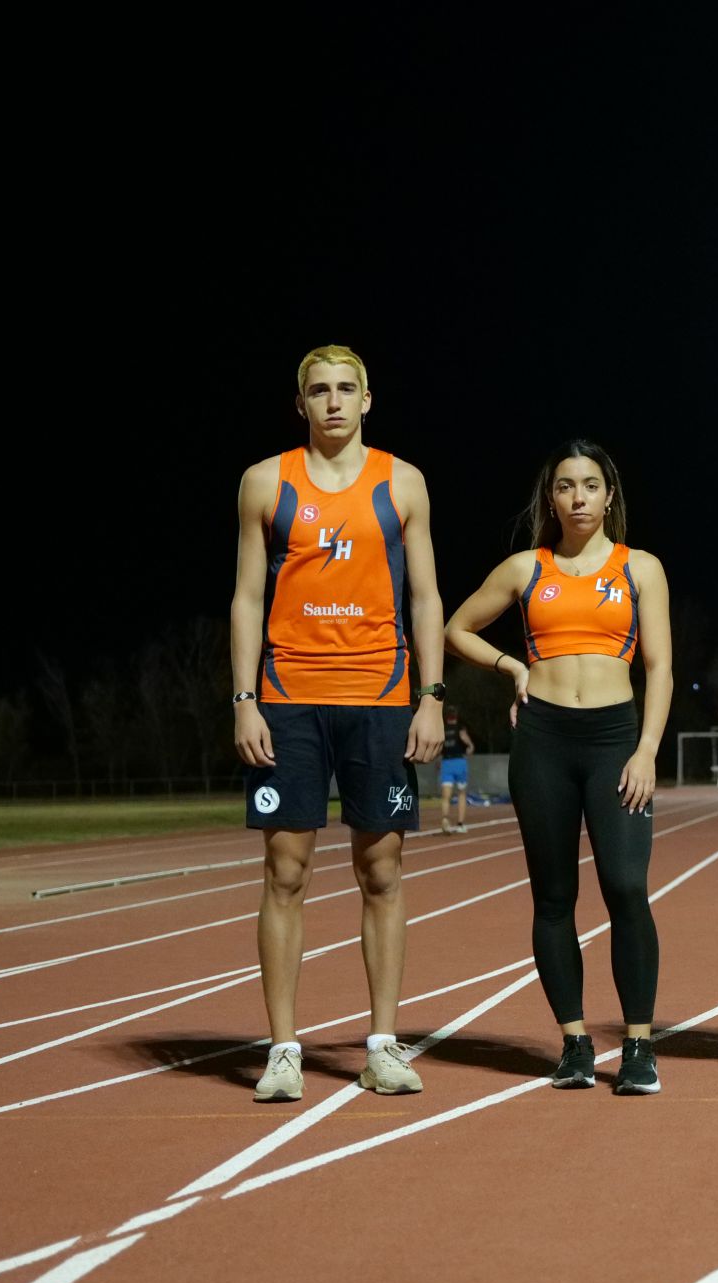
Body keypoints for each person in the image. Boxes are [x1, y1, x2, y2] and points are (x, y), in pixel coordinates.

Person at [230, 344, 446, 1103]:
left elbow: (425, 596)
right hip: (287, 698)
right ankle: (283, 1049)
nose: (332, 402)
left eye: (345, 389)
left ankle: (383, 1044)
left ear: (367, 399)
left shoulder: (403, 481)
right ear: (300, 404)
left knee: (381, 871)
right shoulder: (265, 481)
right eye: (318, 390)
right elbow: (247, 599)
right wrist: (243, 698)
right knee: (284, 872)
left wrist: (432, 693)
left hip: (381, 697)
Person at [444, 441, 673, 1094]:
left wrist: (647, 748)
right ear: (553, 498)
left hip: (614, 740)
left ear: (609, 497)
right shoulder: (525, 568)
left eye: (590, 485)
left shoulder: (641, 569)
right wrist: (511, 665)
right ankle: (574, 1042)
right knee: (553, 897)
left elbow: (658, 666)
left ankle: (637, 1044)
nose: (578, 497)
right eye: (566, 486)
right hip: (542, 740)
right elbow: (457, 628)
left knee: (627, 885)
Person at [439, 706, 476, 834]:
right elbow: (465, 739)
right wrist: (470, 746)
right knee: (461, 794)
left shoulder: (442, 729)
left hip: (446, 763)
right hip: (459, 763)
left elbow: (438, 746)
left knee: (446, 796)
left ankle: (445, 820)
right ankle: (460, 824)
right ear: (456, 716)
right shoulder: (460, 728)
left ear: (446, 717)